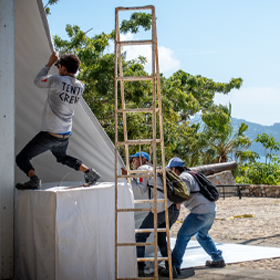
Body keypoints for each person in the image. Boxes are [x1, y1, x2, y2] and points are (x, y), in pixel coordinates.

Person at [15, 51, 101, 190]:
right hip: (65, 134)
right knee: (62, 157)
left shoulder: (56, 80)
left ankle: (34, 179)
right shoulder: (80, 86)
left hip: (50, 134)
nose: (58, 69)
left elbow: (38, 81)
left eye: (59, 66)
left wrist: (49, 63)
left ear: (64, 68)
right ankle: (89, 172)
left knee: (21, 158)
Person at [121, 152, 180, 278]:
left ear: (143, 159)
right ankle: (172, 269)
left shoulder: (143, 169)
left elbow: (139, 190)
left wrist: (128, 177)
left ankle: (140, 270)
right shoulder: (154, 169)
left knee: (140, 237)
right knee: (161, 239)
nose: (132, 163)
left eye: (134, 160)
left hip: (159, 209)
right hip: (171, 207)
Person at [166, 157, 225, 277]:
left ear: (174, 169)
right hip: (211, 210)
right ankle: (218, 258)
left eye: (170, 170)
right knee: (202, 236)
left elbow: (184, 195)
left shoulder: (183, 177)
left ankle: (174, 266)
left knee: (182, 236)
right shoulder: (191, 174)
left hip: (200, 211)